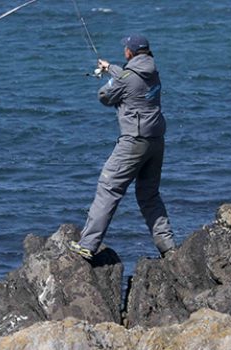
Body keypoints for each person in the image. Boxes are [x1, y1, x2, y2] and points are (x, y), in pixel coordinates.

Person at [69, 34, 177, 259]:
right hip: (156, 141)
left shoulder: (127, 77)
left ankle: (87, 244)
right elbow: (131, 77)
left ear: (130, 52)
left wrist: (110, 79)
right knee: (149, 195)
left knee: (108, 188)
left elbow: (105, 97)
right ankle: (168, 247)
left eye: (126, 48)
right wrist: (110, 68)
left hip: (133, 141)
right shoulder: (153, 71)